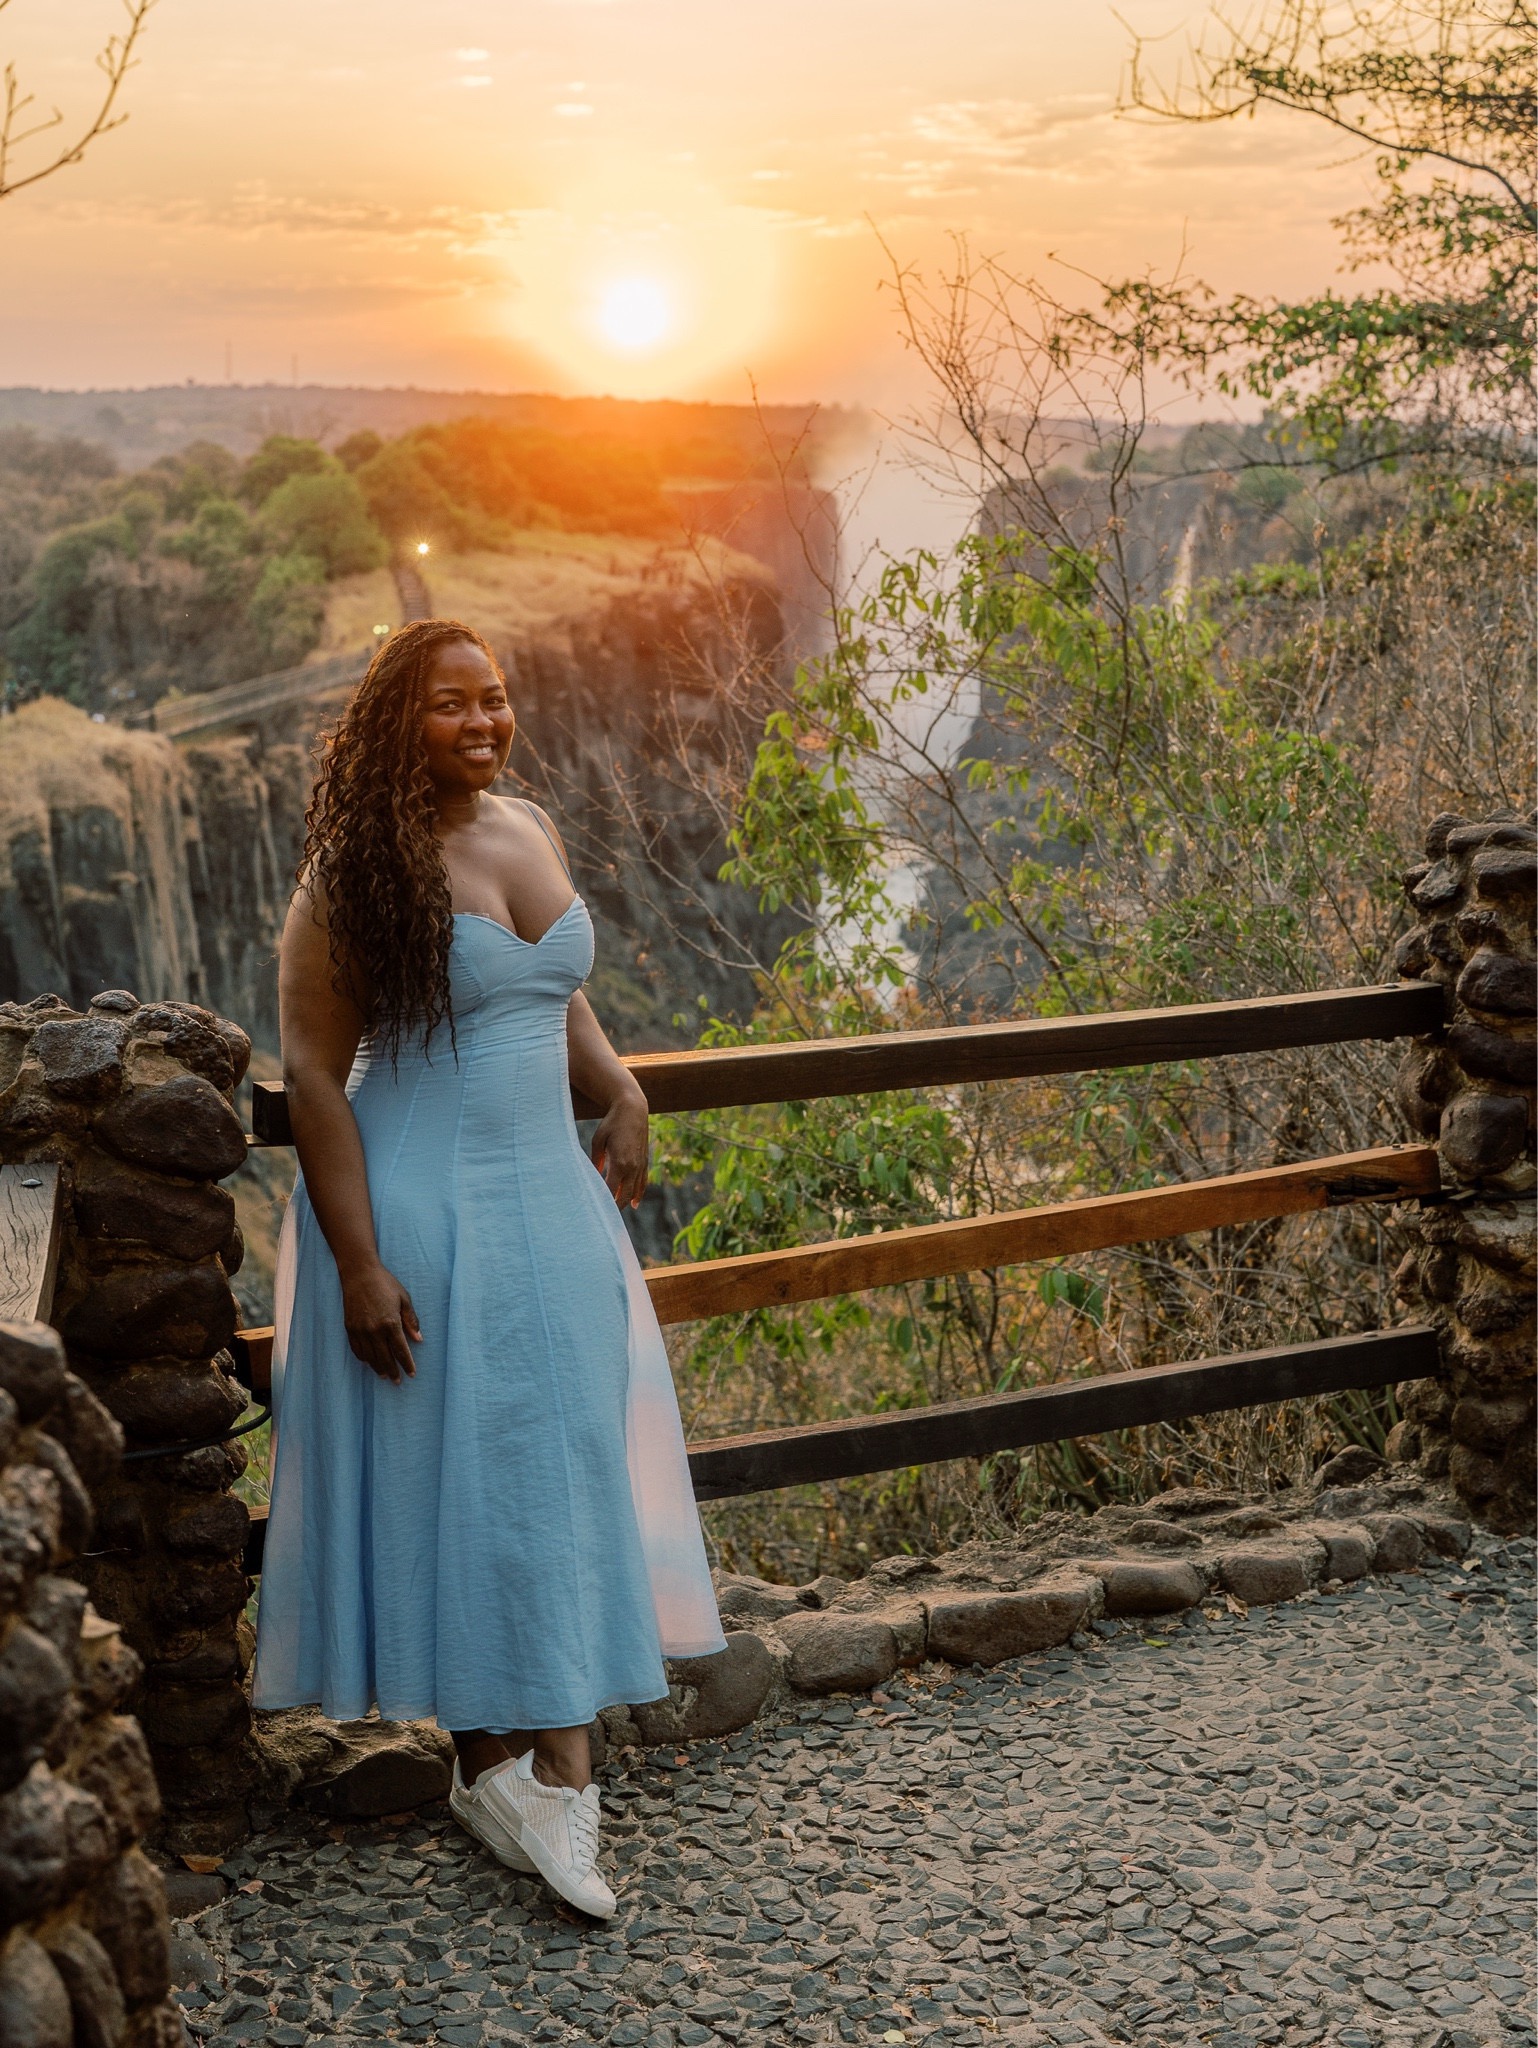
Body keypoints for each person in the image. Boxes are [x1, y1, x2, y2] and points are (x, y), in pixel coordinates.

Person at [252, 618, 725, 1918]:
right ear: (396, 722)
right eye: (452, 704)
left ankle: (519, 1780)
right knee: (452, 1476)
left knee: (560, 1466)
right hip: (423, 1207)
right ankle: (534, 1780)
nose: (483, 723)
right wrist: (357, 1261)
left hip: (554, 1209)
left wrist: (619, 1086)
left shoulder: (525, 830)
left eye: (497, 700)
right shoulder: (351, 873)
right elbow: (309, 1073)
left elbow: (549, 988)